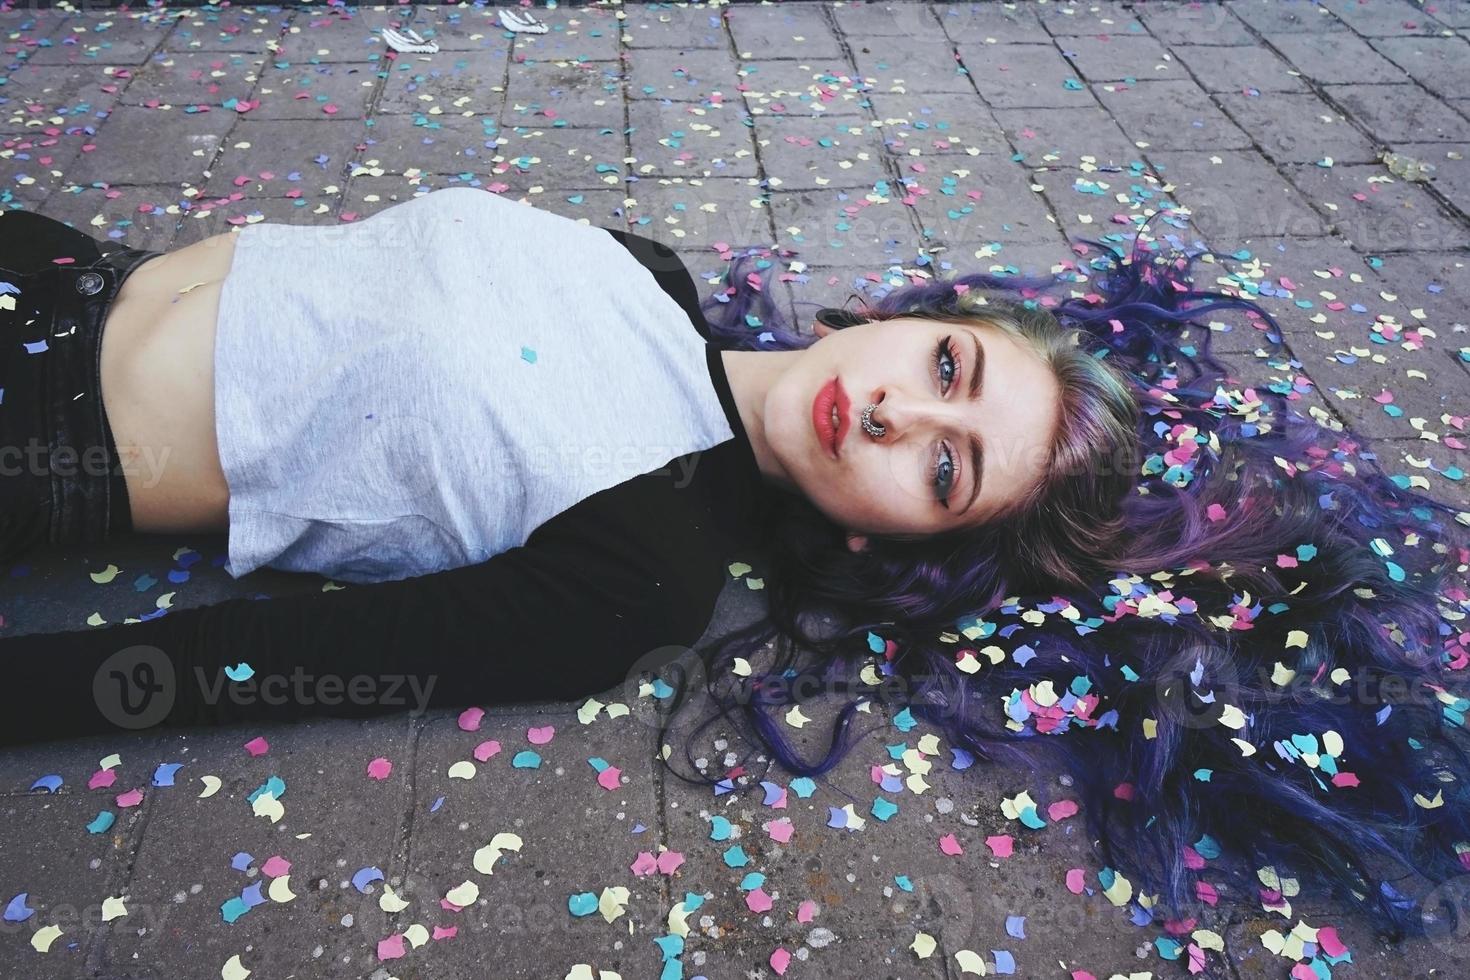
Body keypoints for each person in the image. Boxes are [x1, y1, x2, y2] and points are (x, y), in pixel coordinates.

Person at [1, 189, 1467, 944]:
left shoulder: (639, 571)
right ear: (908, 317)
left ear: (882, 537)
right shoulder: (641, 269)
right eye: (946, 367)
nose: (898, 411)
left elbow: (240, 666)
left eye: (941, 466)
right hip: (54, 265)